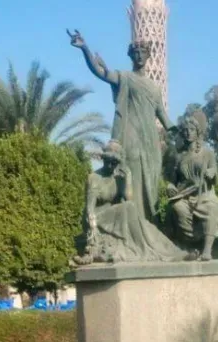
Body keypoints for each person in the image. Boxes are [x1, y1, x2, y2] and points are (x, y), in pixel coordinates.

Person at [68, 29, 178, 222]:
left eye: (143, 53)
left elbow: (163, 116)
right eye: (136, 53)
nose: (139, 56)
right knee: (130, 174)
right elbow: (100, 72)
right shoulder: (125, 77)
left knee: (150, 181)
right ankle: (130, 220)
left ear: (149, 56)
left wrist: (180, 131)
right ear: (131, 56)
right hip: (130, 134)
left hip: (150, 141)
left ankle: (148, 222)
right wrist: (85, 48)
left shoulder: (154, 88)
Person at [73, 140, 185, 265]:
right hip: (97, 218)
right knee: (127, 208)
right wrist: (93, 229)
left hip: (115, 216)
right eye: (108, 161)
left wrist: (128, 178)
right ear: (103, 159)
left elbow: (129, 200)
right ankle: (142, 248)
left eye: (114, 162)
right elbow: (89, 209)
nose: (110, 165)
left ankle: (169, 251)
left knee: (144, 225)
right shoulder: (94, 178)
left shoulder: (118, 179)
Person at [166, 114, 218, 261]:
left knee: (212, 207)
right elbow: (173, 181)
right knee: (176, 207)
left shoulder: (207, 153)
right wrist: (170, 186)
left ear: (197, 132)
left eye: (191, 129)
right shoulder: (179, 157)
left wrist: (212, 172)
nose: (188, 132)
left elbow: (214, 171)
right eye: (185, 130)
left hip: (205, 194)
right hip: (186, 195)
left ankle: (207, 250)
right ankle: (190, 244)